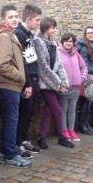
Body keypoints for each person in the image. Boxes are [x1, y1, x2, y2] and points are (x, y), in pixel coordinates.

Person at [0, 4, 32, 168]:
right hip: (8, 84)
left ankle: (7, 151)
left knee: (11, 119)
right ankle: (9, 154)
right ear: (3, 19)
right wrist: (21, 77)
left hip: (11, 85)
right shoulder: (4, 36)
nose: (15, 19)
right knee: (11, 120)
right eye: (11, 17)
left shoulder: (10, 34)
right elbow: (2, 64)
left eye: (16, 16)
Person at [34, 17, 74, 148]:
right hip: (45, 83)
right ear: (46, 28)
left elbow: (59, 65)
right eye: (53, 28)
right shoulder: (38, 41)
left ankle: (41, 137)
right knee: (57, 110)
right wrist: (56, 84)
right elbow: (43, 66)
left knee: (49, 111)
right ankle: (62, 137)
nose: (54, 30)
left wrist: (63, 83)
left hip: (53, 83)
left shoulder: (52, 43)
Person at [14, 4, 42, 157]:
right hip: (27, 81)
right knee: (22, 114)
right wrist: (27, 83)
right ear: (28, 19)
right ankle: (18, 143)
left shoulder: (28, 34)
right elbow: (21, 62)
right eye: (37, 20)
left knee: (29, 113)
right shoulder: (19, 34)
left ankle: (24, 139)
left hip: (34, 79)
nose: (39, 23)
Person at [58, 33, 88, 142]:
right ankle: (64, 130)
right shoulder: (58, 53)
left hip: (76, 87)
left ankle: (71, 130)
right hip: (64, 88)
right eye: (66, 41)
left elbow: (84, 67)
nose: (68, 43)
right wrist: (60, 83)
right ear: (62, 42)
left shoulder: (76, 54)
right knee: (63, 110)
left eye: (70, 41)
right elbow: (55, 69)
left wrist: (82, 78)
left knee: (72, 110)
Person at [76, 26, 93, 134]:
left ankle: (86, 123)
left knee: (87, 102)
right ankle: (82, 125)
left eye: (92, 33)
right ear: (85, 35)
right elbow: (84, 66)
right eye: (88, 33)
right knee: (84, 103)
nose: (90, 35)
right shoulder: (84, 48)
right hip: (86, 78)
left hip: (91, 77)